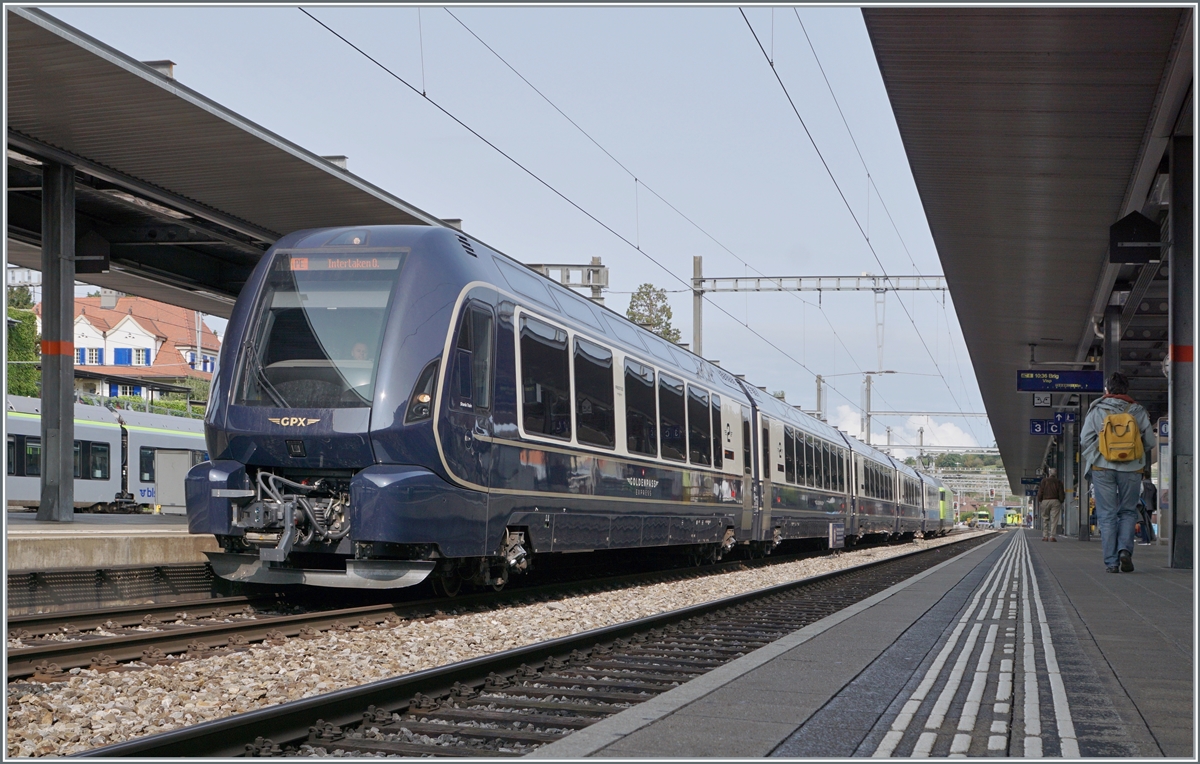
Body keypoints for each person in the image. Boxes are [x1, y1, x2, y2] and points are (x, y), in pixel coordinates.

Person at [1080, 372, 1156, 573]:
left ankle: (1111, 563)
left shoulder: (1097, 410)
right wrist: (1132, 453)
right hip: (1131, 468)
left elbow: (1084, 440)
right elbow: (1149, 442)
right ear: (1127, 390)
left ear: (1107, 390)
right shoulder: (1138, 411)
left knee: (1106, 515)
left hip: (1102, 468)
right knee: (1128, 511)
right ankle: (1125, 550)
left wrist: (1099, 453)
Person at [1037, 468, 1065, 542]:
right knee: (1054, 519)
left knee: (1045, 519)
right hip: (1055, 501)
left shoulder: (1044, 481)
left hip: (1045, 500)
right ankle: (1052, 536)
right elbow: (1061, 493)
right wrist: (1061, 501)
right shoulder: (1058, 482)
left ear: (1049, 473)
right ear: (1055, 474)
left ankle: (1045, 536)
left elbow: (1040, 492)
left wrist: (1040, 500)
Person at [1136, 468, 1157, 545]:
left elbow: (1139, 494)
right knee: (1148, 523)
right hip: (1151, 506)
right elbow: (1155, 497)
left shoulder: (1141, 485)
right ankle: (1149, 538)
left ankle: (1145, 539)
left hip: (1142, 506)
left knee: (1143, 523)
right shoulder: (1153, 486)